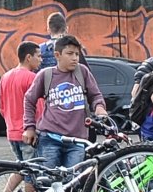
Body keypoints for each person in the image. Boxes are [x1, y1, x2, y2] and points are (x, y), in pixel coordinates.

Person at [25, 34, 107, 167]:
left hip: (77, 141)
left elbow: (96, 95)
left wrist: (99, 107)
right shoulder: (46, 75)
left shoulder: (83, 72)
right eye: (70, 54)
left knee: (74, 181)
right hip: (49, 139)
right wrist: (29, 127)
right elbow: (29, 100)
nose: (74, 58)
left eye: (77, 54)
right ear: (57, 55)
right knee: (48, 181)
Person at [0, 40, 41, 176]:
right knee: (31, 174)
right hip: (28, 133)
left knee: (21, 167)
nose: (41, 60)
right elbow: (39, 108)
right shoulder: (32, 78)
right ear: (29, 57)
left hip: (12, 132)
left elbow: (2, 106)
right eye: (38, 56)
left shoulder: (5, 77)